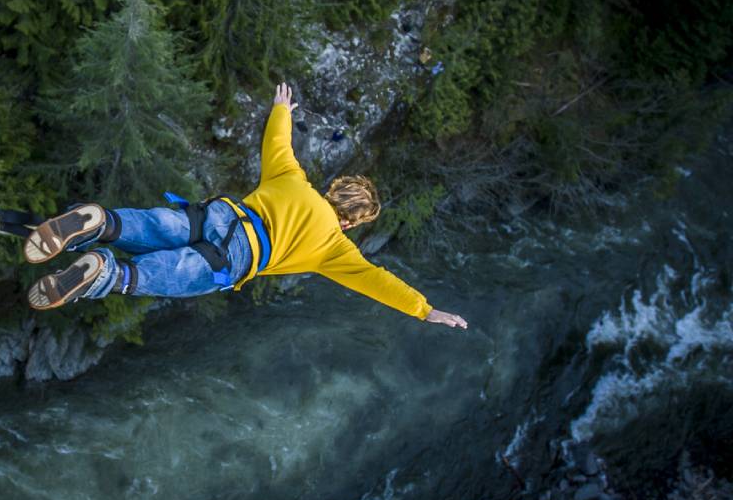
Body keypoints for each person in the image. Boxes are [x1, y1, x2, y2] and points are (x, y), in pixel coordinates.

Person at [24, 83, 468, 329]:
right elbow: (377, 282)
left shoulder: (292, 178)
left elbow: (278, 142)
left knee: (159, 225)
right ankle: (105, 272)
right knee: (158, 275)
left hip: (220, 215)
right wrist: (424, 309)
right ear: (351, 221)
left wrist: (282, 109)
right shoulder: (335, 248)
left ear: (334, 190)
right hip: (237, 257)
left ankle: (100, 221)